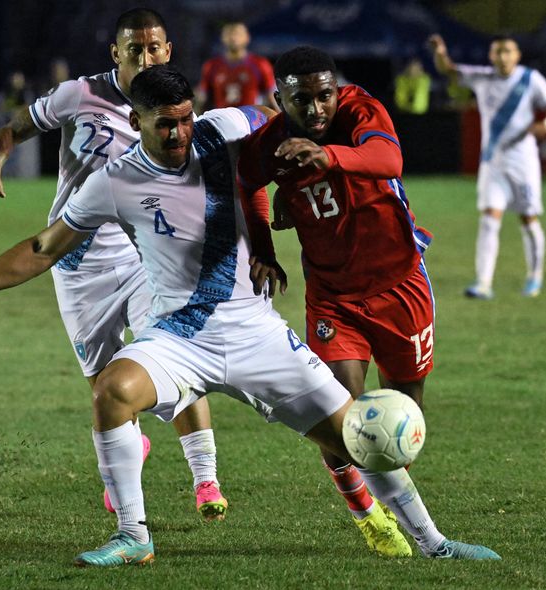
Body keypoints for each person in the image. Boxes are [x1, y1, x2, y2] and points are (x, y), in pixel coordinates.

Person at [0, 64, 500, 567]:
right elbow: (43, 248)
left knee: (354, 435)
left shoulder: (225, 130)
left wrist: (315, 180)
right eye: (164, 122)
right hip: (178, 337)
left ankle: (435, 544)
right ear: (135, 121)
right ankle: (133, 536)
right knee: (113, 390)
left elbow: (293, 117)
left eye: (185, 118)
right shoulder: (114, 182)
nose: (179, 132)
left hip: (255, 330)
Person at [0, 8, 229, 521]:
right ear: (116, 53)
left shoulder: (172, 108)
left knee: (174, 354)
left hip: (141, 256)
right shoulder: (78, 95)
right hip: (74, 262)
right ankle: (131, 447)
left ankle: (206, 478)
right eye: (135, 49)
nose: (145, 58)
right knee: (104, 384)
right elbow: (11, 129)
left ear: (167, 51)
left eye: (154, 48)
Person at [236, 46, 435, 558]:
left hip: (400, 284)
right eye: (302, 99)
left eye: (325, 95)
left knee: (404, 416)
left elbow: (389, 158)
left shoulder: (360, 109)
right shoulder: (271, 141)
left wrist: (329, 156)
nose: (317, 108)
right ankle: (368, 514)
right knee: (338, 415)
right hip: (333, 298)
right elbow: (246, 184)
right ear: (281, 98)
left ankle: (399, 500)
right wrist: (262, 249)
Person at [430, 34, 546, 299]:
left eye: (507, 51)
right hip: (492, 164)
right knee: (489, 219)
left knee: (528, 219)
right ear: (491, 56)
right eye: (497, 52)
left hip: (523, 162)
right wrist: (440, 51)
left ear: (517, 55)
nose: (502, 57)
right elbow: (448, 69)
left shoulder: (530, 79)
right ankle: (483, 283)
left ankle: (535, 276)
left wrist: (545, 126)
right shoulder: (483, 78)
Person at [196, 21, 278, 112]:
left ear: (247, 37)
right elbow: (202, 99)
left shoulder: (260, 64)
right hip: (222, 121)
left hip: (250, 121)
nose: (233, 38)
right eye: (229, 34)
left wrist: (282, 119)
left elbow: (272, 96)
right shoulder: (211, 66)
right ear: (222, 38)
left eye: (238, 34)